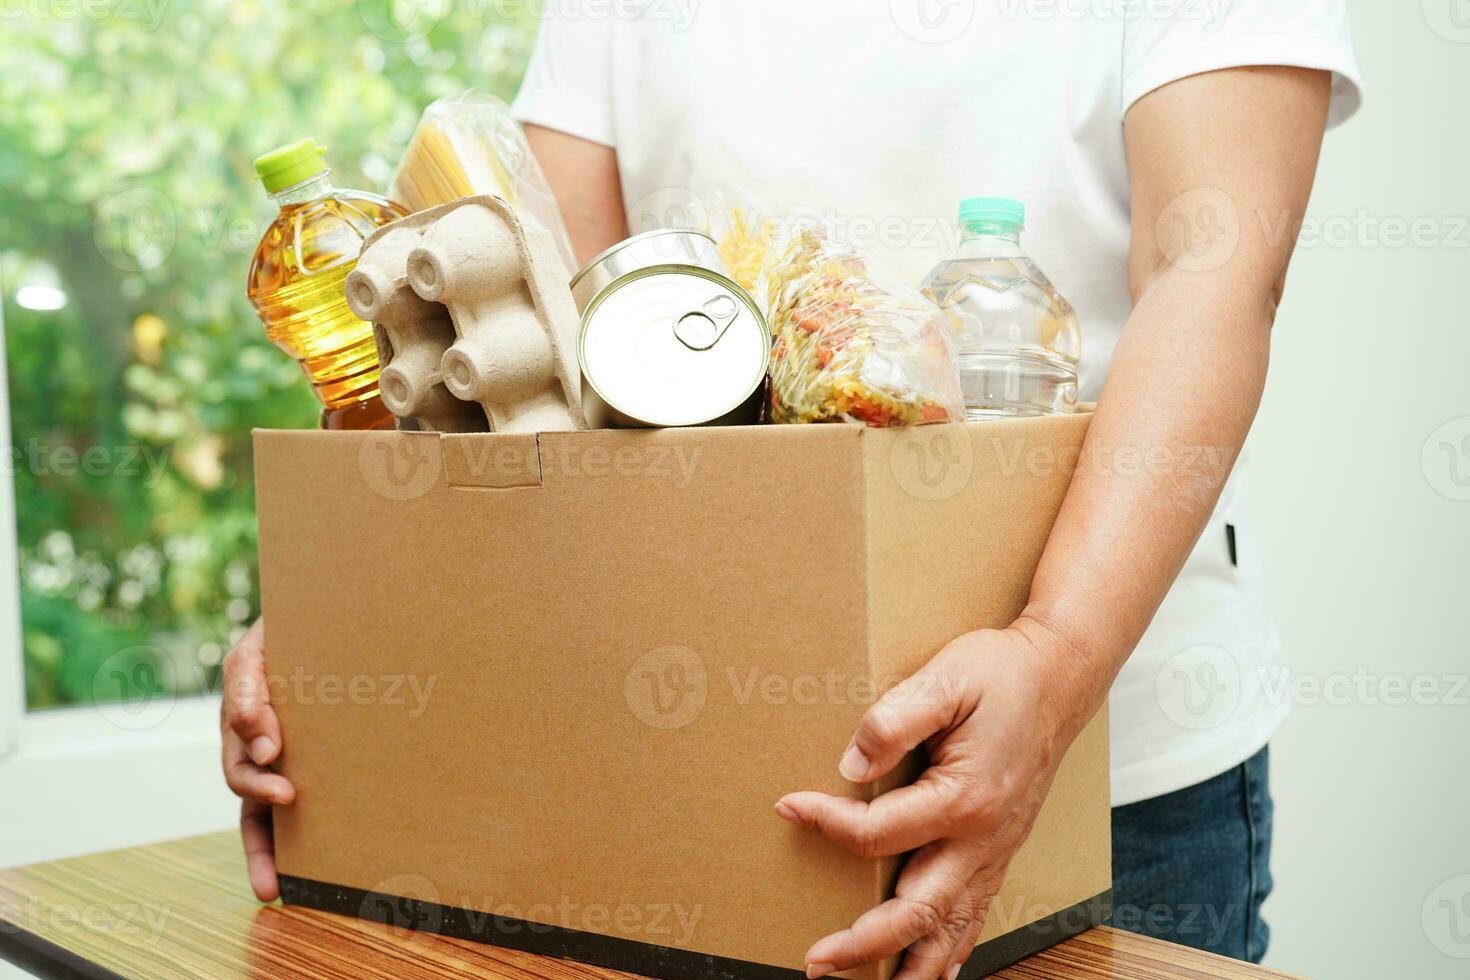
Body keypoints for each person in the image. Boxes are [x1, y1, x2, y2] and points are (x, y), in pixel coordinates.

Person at [221, 3, 1362, 977]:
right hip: (709, 769)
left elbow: (1211, 273)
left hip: (1111, 779)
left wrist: (1056, 657)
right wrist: (352, 604)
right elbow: (529, 335)